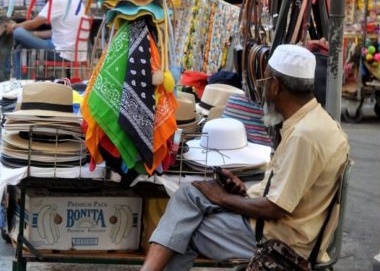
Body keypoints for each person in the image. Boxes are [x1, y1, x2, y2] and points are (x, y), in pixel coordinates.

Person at [141, 44, 350, 270]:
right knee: (189, 194)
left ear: (275, 86)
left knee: (184, 230)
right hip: (280, 225)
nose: (263, 91)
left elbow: (275, 208)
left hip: (283, 243)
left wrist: (221, 197)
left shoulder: (305, 136)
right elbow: (287, 189)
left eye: (264, 83)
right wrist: (244, 192)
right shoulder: (314, 121)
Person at [3, 0, 85, 79]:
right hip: (73, 52)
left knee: (18, 33)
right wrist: (33, 35)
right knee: (21, 43)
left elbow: (32, 25)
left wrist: (14, 26)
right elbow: (57, 32)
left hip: (61, 52)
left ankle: (15, 79)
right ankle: (18, 80)